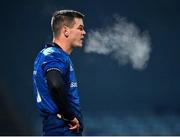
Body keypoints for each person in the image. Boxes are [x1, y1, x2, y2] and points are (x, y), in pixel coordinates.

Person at [32, 9, 86, 136]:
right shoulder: (53, 55)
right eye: (80, 28)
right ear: (66, 30)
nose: (84, 32)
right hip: (61, 131)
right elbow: (55, 85)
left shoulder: (50, 54)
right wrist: (70, 116)